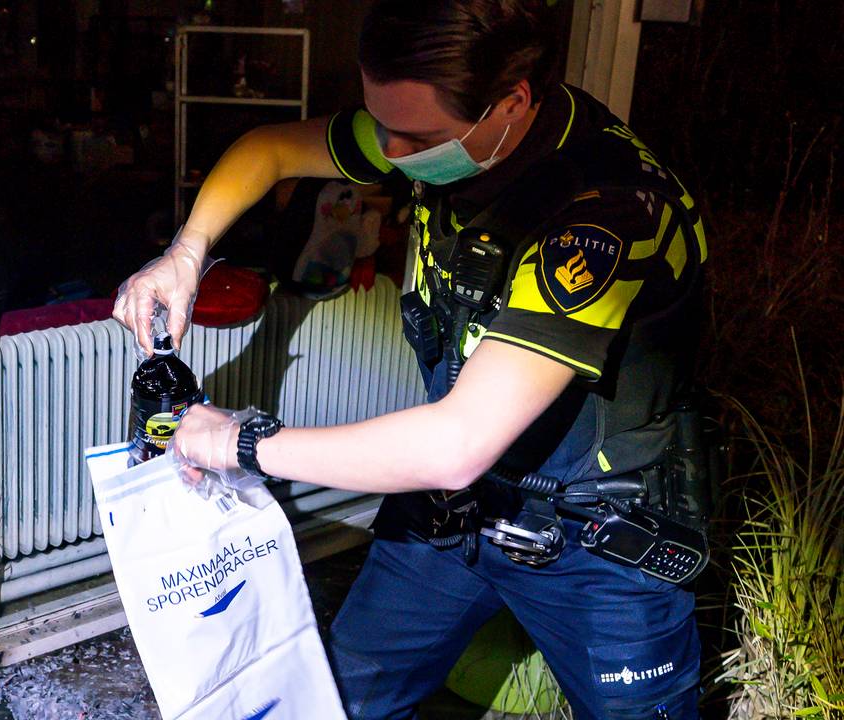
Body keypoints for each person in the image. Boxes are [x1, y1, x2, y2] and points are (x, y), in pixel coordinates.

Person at [112, 1, 709, 718]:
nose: (390, 154)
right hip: (450, 513)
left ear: (511, 103)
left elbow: (455, 444)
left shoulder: (605, 214)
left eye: (417, 138)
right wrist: (187, 251)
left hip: (591, 540)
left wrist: (236, 441)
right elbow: (269, 151)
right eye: (380, 122)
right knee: (344, 699)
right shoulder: (449, 129)